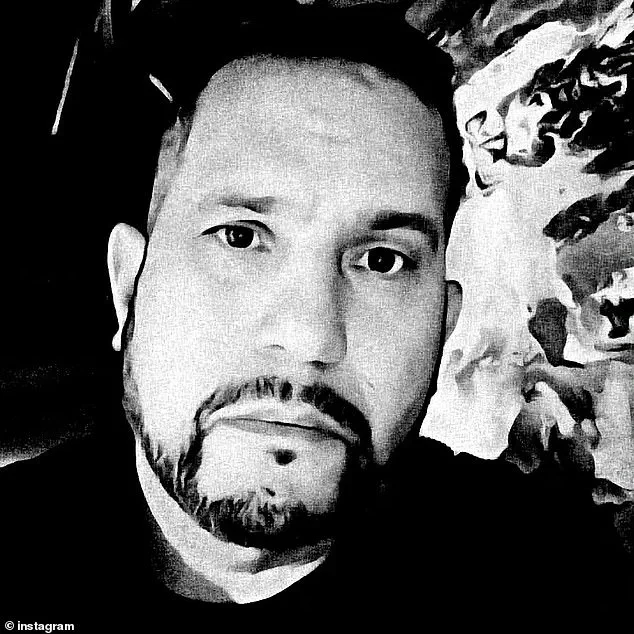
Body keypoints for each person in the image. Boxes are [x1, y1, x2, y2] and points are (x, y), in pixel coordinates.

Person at [1, 2, 630, 629]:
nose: (310, 337)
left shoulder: (556, 582)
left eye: (381, 260)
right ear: (129, 289)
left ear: (443, 327)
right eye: (241, 237)